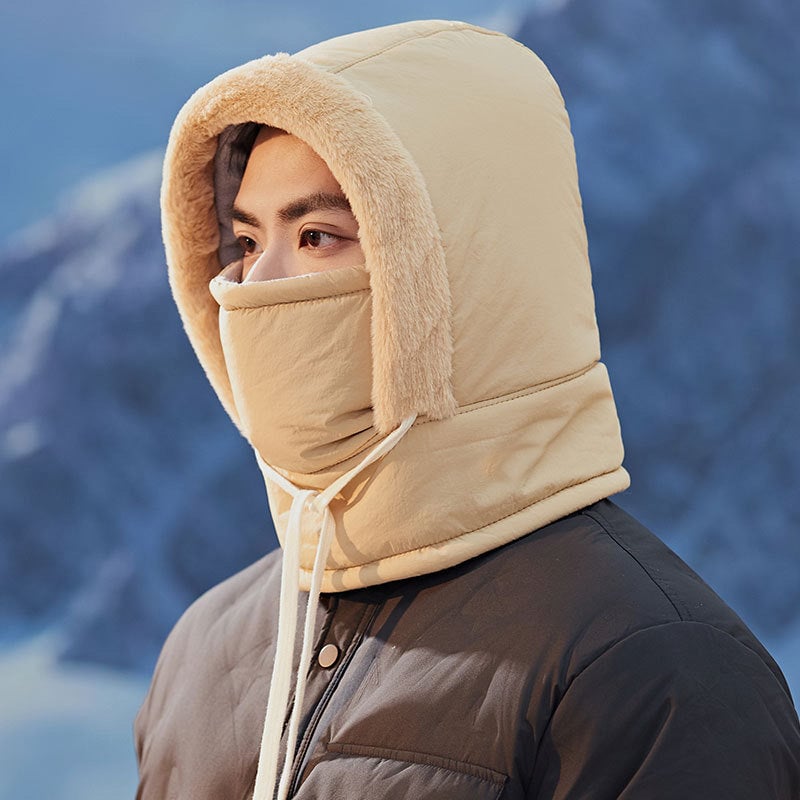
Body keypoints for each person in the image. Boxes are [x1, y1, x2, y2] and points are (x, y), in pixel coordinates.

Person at [134, 19, 800, 800]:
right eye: (247, 242)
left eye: (317, 236)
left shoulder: (656, 671)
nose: (255, 286)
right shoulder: (205, 650)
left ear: (459, 268)